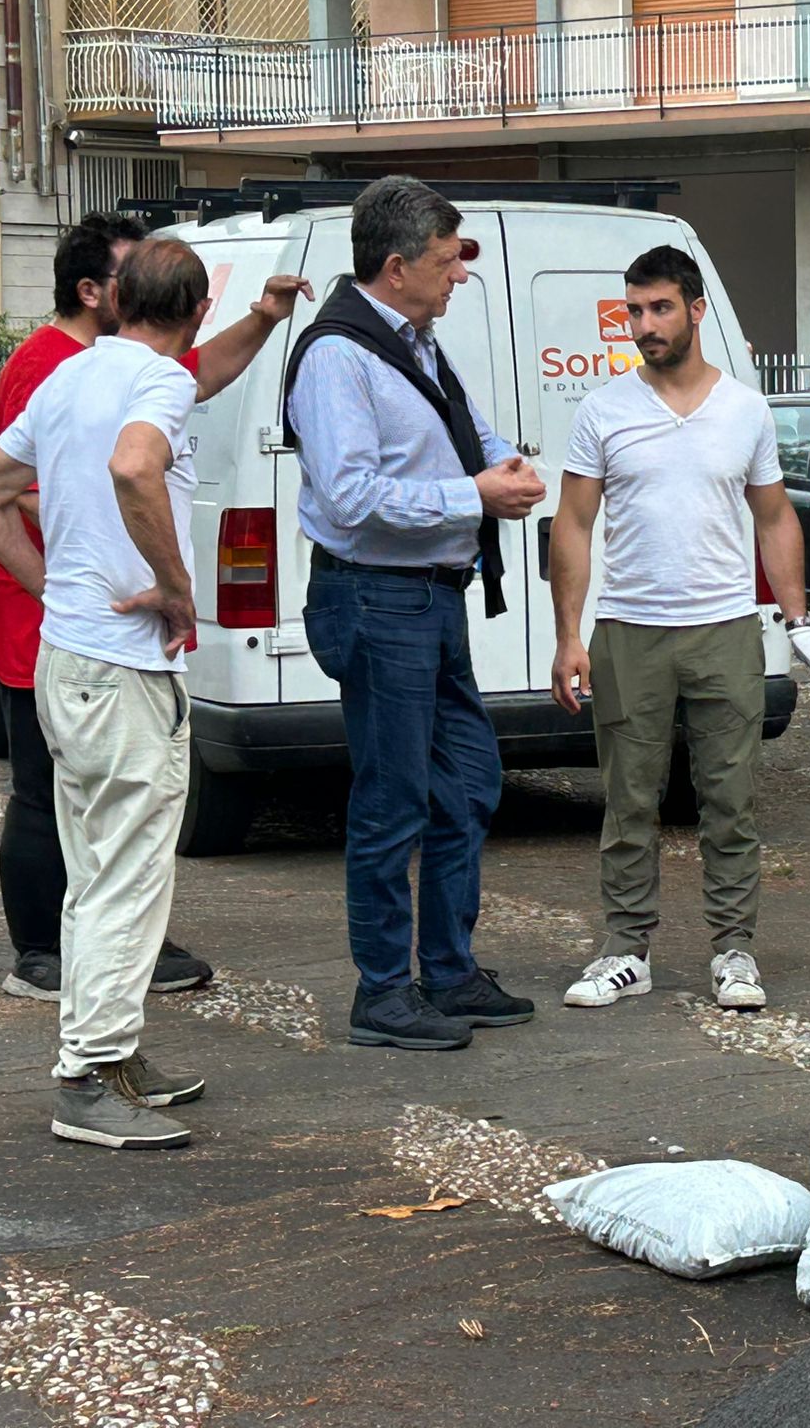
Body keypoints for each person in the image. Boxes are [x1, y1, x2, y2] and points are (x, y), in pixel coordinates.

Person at [0, 212, 311, 1005]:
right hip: (68, 616)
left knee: (91, 817)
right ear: (98, 292)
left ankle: (91, 976)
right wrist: (157, 580)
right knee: (56, 800)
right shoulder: (52, 366)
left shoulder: (105, 367)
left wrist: (261, 318)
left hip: (73, 618)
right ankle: (51, 964)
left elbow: (197, 375)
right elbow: (91, 477)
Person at [548, 245, 810, 1013]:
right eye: (634, 310)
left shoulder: (745, 408)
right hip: (630, 631)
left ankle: (734, 953)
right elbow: (573, 523)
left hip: (725, 630)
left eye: (660, 308)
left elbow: (774, 516)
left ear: (696, 311)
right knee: (628, 804)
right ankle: (627, 951)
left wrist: (799, 625)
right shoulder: (604, 411)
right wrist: (569, 637)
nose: (645, 325)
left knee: (731, 803)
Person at [0, 239, 222, 1148]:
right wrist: (176, 585)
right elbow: (135, 467)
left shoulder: (66, 378)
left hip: (69, 657)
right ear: (195, 314)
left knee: (94, 865)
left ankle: (109, 1052)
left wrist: (47, 587)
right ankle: (87, 1072)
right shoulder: (164, 382)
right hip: (122, 667)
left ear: (116, 302)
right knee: (128, 871)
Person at [283, 176, 545, 1052]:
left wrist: (509, 467)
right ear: (395, 268)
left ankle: (448, 969)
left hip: (430, 597)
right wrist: (473, 494)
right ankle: (382, 992)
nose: (458, 277)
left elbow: (468, 433)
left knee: (467, 784)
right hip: (376, 596)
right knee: (391, 800)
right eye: (444, 262)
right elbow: (353, 497)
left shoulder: (416, 343)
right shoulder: (338, 356)